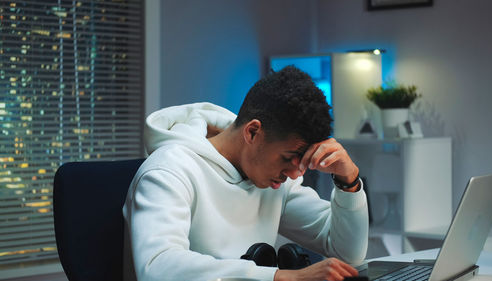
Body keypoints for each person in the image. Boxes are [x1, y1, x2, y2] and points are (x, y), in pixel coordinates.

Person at [122, 66, 369, 281]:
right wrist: (279, 276)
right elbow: (156, 267)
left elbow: (347, 253)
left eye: (301, 161)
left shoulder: (274, 181)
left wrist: (348, 182)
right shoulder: (168, 170)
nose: (295, 174)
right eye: (287, 158)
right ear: (252, 133)